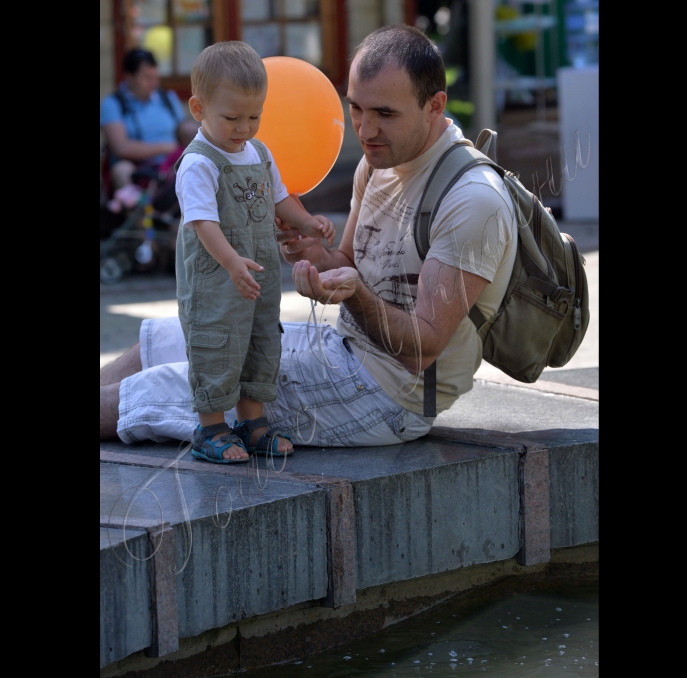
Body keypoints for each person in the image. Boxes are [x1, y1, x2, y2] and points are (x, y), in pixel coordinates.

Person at [100, 25, 518, 451]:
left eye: (385, 114)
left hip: (391, 396)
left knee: (157, 388)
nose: (366, 129)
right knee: (168, 339)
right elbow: (346, 264)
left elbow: (421, 350)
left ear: (435, 106)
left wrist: (353, 294)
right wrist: (316, 253)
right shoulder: (377, 164)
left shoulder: (472, 200)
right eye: (356, 108)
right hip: (344, 346)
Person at [173, 41, 335, 464]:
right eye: (232, 118)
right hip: (216, 279)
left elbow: (281, 199)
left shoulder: (260, 153)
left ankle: (253, 422)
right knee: (217, 344)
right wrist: (230, 262)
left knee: (260, 342)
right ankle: (210, 427)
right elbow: (203, 222)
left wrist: (304, 222)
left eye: (254, 117)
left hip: (257, 277)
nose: (244, 128)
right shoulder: (199, 163)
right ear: (198, 108)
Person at [100, 48, 187, 192]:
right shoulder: (112, 104)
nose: (153, 83)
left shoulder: (168, 98)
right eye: (146, 78)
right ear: (128, 77)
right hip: (136, 167)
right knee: (122, 170)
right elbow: (121, 148)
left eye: (155, 77)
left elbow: (183, 130)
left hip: (171, 163)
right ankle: (136, 213)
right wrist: (165, 147)